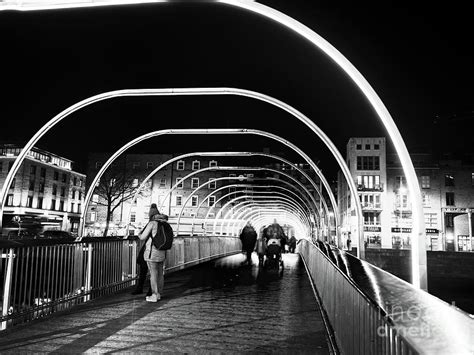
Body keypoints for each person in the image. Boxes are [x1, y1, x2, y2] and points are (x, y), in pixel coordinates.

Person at [138, 203, 168, 302]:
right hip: (162, 252)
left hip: (152, 252)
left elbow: (143, 237)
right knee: (160, 273)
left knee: (153, 274)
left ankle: (154, 295)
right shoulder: (165, 223)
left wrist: (139, 234)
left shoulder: (152, 223)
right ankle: (159, 294)